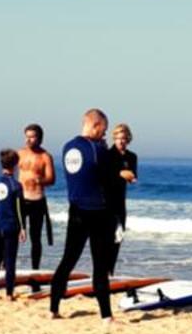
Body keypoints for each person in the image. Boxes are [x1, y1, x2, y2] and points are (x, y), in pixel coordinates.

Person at [48, 110, 117, 319]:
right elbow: (108, 179)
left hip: (75, 210)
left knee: (68, 260)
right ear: (95, 125)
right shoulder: (97, 150)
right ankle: (106, 315)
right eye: (103, 130)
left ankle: (54, 309)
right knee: (100, 264)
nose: (104, 136)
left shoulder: (68, 147)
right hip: (97, 212)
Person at [17, 123, 56, 271]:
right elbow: (9, 171)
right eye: (27, 137)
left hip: (37, 199)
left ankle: (35, 268)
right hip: (20, 199)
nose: (29, 140)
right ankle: (7, 264)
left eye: (32, 137)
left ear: (40, 138)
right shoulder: (19, 153)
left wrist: (41, 180)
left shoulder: (45, 156)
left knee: (35, 238)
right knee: (13, 233)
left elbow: (52, 179)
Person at [0, 149, 24, 298]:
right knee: (10, 260)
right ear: (16, 165)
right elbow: (19, 209)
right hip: (11, 226)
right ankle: (9, 293)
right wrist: (23, 227)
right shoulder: (16, 185)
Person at [105, 122, 138, 275]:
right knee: (106, 237)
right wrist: (120, 174)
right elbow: (104, 175)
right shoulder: (107, 154)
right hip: (105, 202)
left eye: (124, 138)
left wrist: (126, 175)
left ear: (128, 139)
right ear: (114, 139)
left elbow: (133, 176)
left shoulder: (132, 157)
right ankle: (103, 270)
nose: (121, 141)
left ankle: (111, 269)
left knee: (119, 236)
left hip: (120, 201)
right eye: (118, 138)